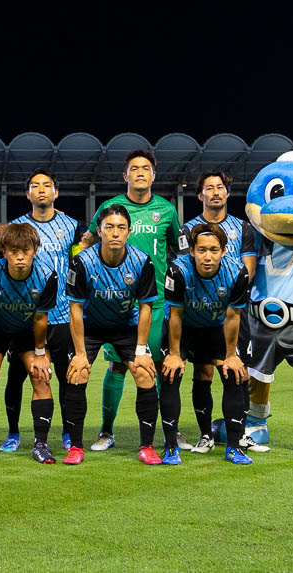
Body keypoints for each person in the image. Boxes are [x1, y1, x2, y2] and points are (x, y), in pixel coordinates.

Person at [79, 150, 180, 451]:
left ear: (153, 175)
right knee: (119, 367)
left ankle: (168, 431)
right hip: (117, 304)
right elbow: (87, 241)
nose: (140, 173)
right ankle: (106, 431)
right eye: (134, 168)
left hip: (155, 301)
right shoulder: (110, 208)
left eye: (145, 168)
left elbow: (179, 250)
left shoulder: (167, 210)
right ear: (125, 175)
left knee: (157, 367)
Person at [0, 169, 80, 453]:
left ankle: (67, 431)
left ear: (56, 192)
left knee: (63, 377)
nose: (41, 190)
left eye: (47, 185)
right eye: (35, 186)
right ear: (27, 194)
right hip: (25, 318)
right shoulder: (16, 227)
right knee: (17, 377)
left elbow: (78, 262)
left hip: (60, 314)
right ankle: (13, 432)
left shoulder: (70, 225)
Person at [176, 172, 266, 454]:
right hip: (199, 313)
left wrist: (227, 291)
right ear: (200, 195)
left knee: (238, 371)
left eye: (220, 187)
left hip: (232, 309)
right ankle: (206, 436)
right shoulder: (187, 229)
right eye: (209, 188)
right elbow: (185, 268)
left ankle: (240, 435)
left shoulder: (243, 228)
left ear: (227, 193)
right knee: (203, 371)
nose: (215, 192)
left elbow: (248, 268)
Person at [66, 204, 160, 465]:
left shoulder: (142, 261)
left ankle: (147, 447)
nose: (115, 233)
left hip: (125, 325)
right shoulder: (81, 262)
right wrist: (80, 354)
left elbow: (146, 308)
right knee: (77, 373)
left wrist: (141, 351)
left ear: (129, 232)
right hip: (90, 326)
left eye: (121, 227)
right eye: (109, 227)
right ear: (99, 231)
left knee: (144, 373)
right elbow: (74, 309)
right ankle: (76, 447)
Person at [161, 223, 252, 465]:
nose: (208, 257)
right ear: (192, 251)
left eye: (214, 250)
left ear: (224, 251)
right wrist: (174, 354)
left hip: (215, 326)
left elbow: (233, 316)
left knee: (232, 374)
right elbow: (175, 314)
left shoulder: (237, 272)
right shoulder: (177, 271)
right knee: (171, 373)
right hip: (184, 327)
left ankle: (234, 447)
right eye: (201, 250)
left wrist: (231, 355)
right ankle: (170, 446)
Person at [0, 223, 58, 464]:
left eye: (25, 251)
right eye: (13, 251)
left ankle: (41, 445)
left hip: (27, 330)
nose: (20, 257)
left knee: (41, 375)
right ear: (4, 251)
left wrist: (40, 353)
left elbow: (41, 318)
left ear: (35, 251)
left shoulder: (47, 275)